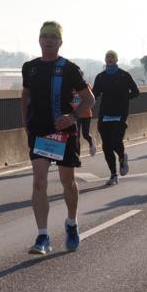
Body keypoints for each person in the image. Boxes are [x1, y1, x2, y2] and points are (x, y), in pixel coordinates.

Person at [21, 21, 94, 254]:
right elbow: (26, 95)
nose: (49, 40)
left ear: (60, 42)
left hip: (64, 133)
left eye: (53, 37)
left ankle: (71, 223)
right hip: (40, 132)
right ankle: (43, 236)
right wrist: (26, 124)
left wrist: (72, 118)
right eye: (45, 36)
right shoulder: (29, 68)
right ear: (39, 40)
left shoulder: (69, 68)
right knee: (39, 183)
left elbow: (89, 99)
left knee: (67, 183)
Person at [92, 50, 140, 186]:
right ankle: (113, 175)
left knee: (115, 141)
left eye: (112, 57)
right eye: (107, 57)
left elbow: (136, 92)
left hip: (120, 114)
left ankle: (122, 156)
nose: (109, 59)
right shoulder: (101, 77)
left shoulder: (124, 75)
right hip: (105, 115)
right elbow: (94, 94)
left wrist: (125, 98)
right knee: (106, 146)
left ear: (116, 60)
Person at [72, 87, 97, 157]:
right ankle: (77, 156)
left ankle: (91, 142)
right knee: (77, 136)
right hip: (76, 115)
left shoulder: (85, 85)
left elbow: (91, 98)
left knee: (85, 134)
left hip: (86, 114)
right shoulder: (70, 86)